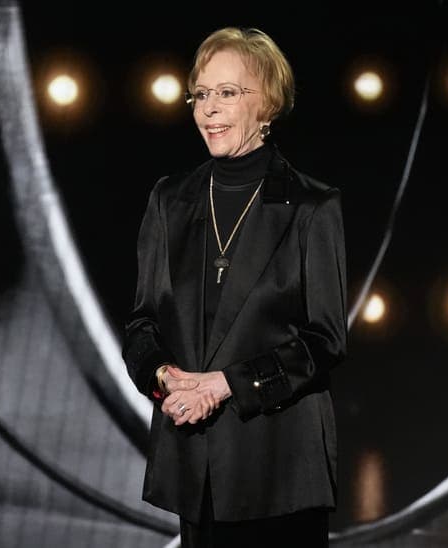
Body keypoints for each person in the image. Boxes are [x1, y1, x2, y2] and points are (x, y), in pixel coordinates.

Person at [122, 26, 346, 548]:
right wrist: (165, 379)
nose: (209, 109)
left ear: (267, 102)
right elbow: (142, 322)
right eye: (201, 94)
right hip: (194, 466)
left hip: (280, 468)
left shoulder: (313, 207)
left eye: (227, 93)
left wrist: (226, 385)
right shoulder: (170, 199)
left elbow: (324, 340)